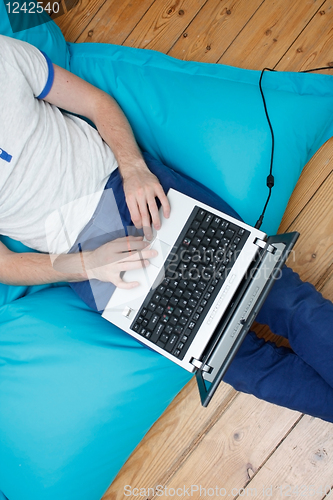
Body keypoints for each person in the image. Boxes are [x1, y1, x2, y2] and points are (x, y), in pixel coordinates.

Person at [0, 34, 332, 423]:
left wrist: (134, 167)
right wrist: (87, 265)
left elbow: (95, 102)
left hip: (130, 189)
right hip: (84, 258)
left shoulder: (5, 56)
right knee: (240, 364)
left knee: (283, 297)